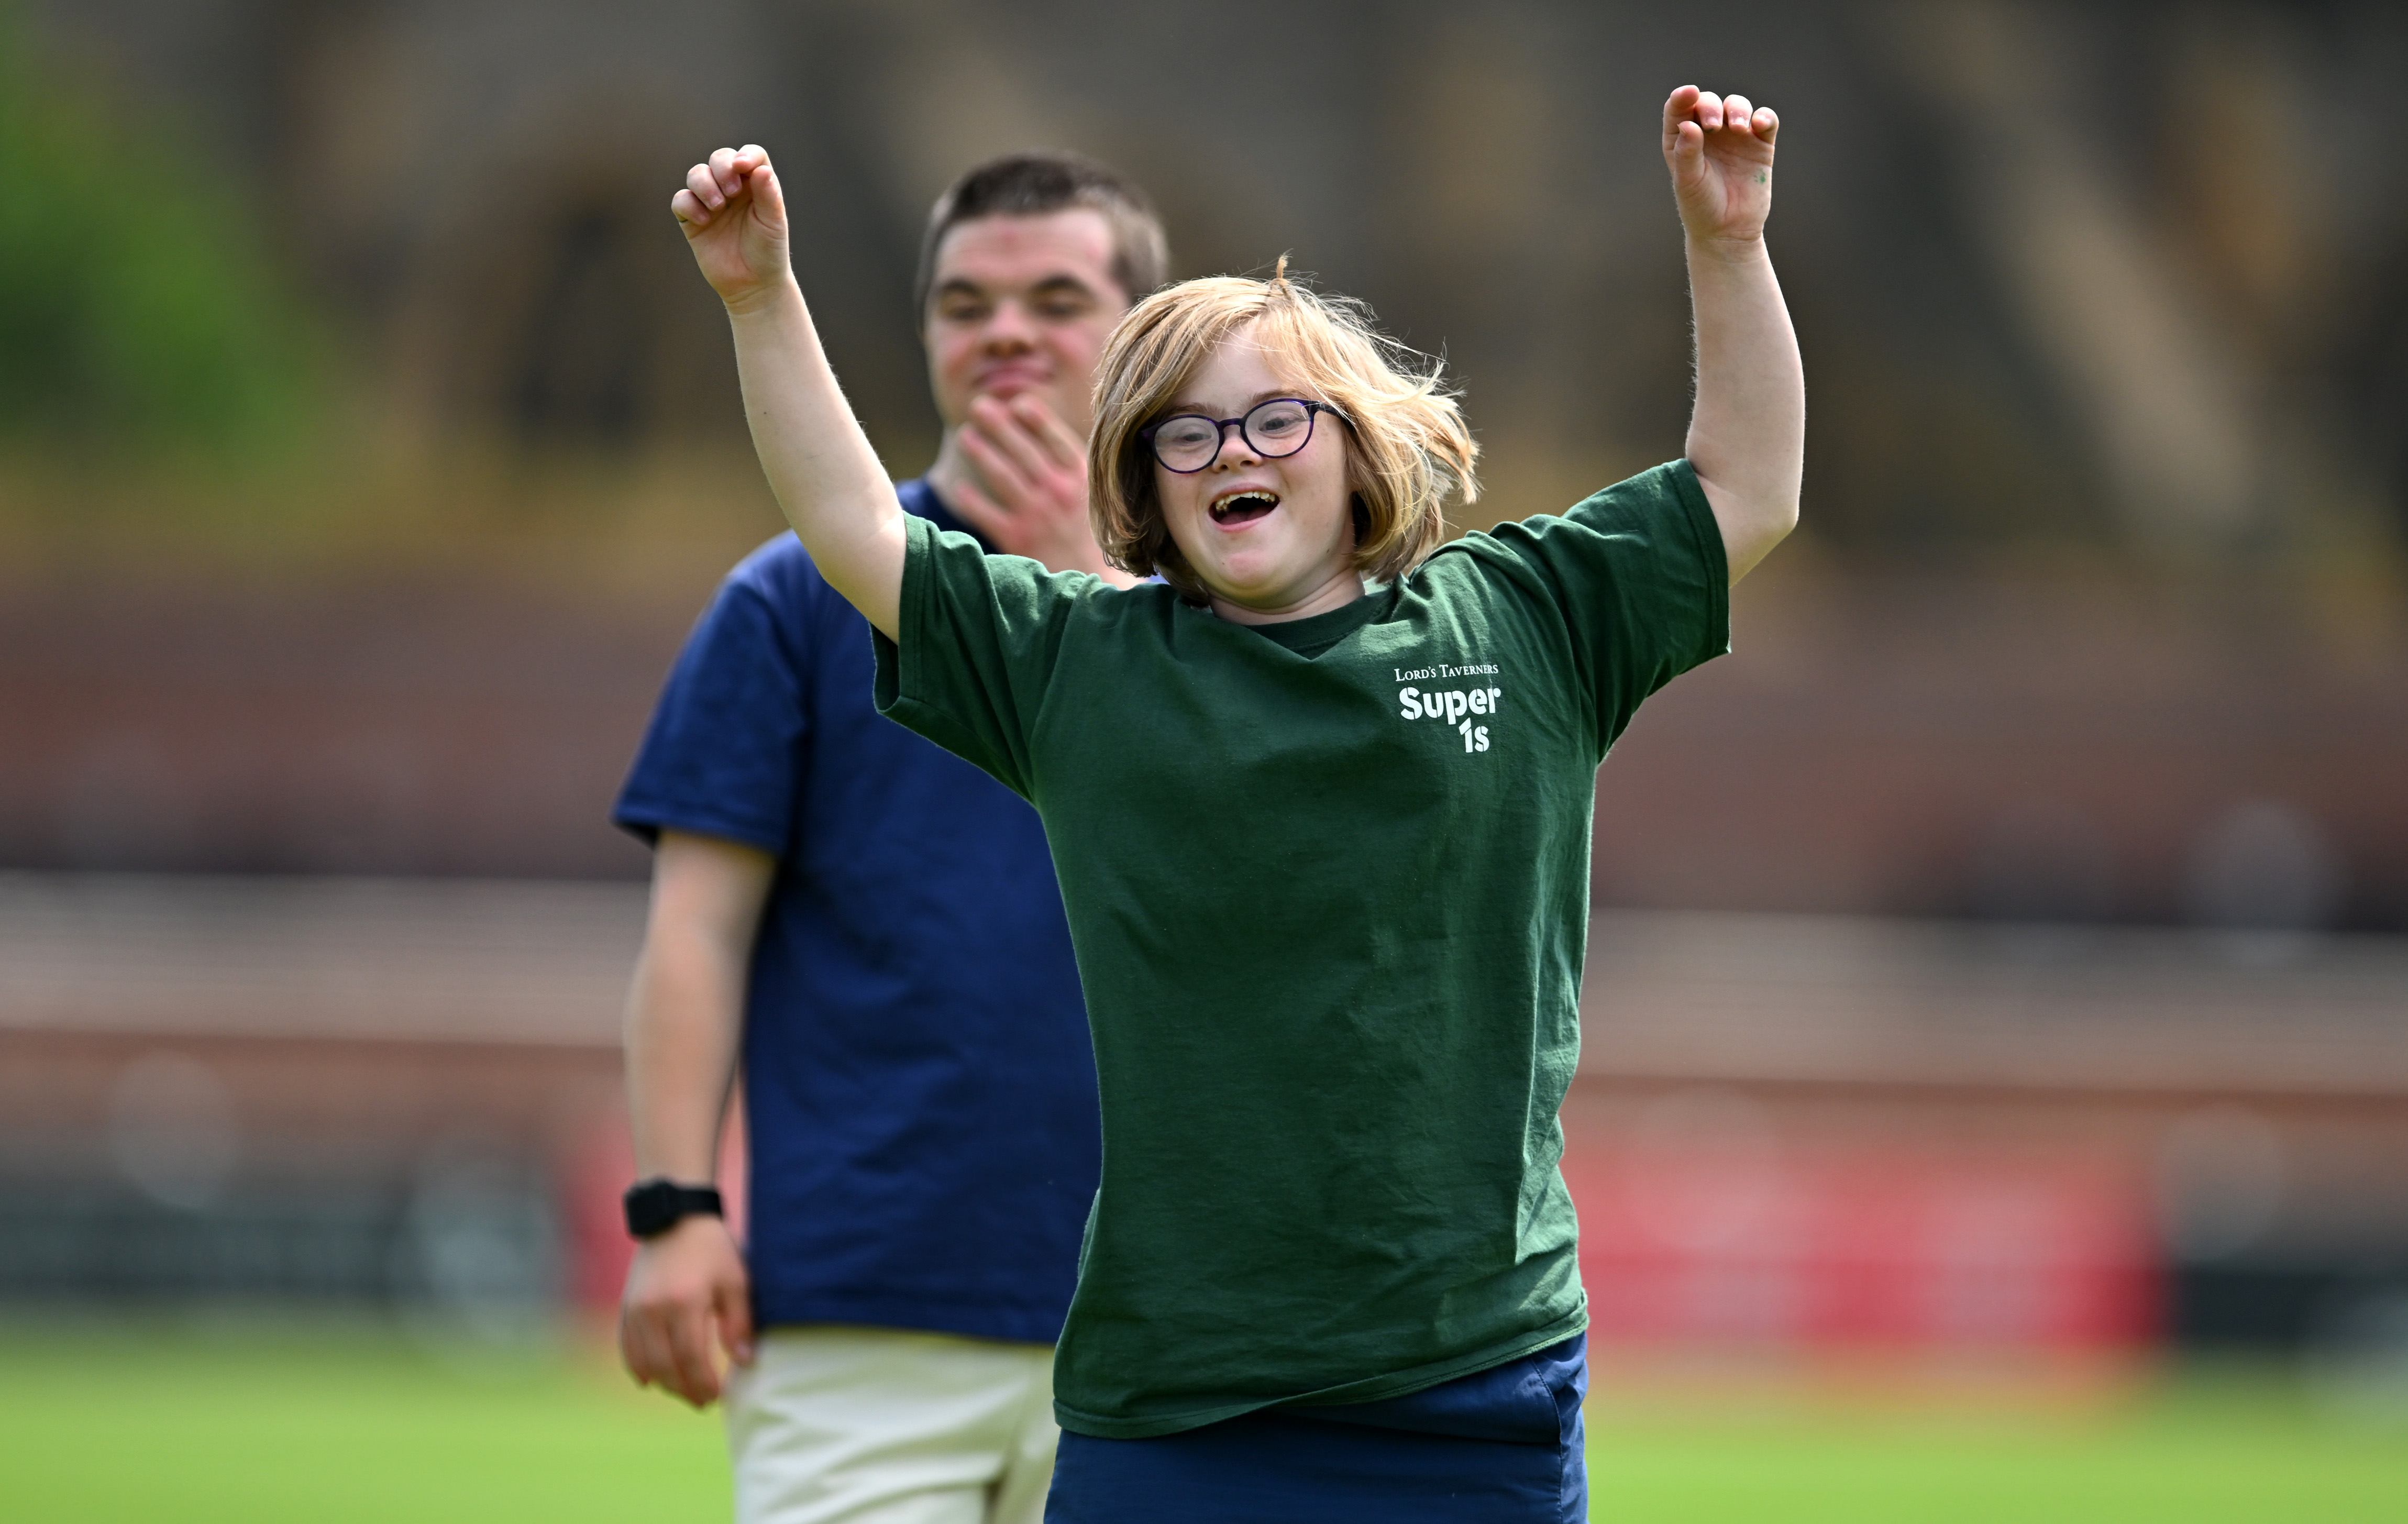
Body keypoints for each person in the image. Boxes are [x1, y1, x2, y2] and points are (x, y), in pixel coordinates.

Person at [667, 84, 1801, 1522]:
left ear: (1354, 441)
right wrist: (761, 297)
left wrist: (1729, 242)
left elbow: (1748, 487)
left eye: (1274, 418)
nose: (1233, 454)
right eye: (1185, 437)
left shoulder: (1524, 620)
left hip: (1472, 1388)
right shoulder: (1085, 666)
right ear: (1143, 479)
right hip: (1176, 1406)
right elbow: (853, 529)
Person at [613, 151, 1168, 1524]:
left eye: (1057, 297)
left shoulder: (1224, 613)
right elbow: (698, 927)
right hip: (855, 1321)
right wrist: (674, 1208)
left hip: (1166, 1322)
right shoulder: (792, 603)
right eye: (966, 303)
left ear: (1144, 333)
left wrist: (1084, 583)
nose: (1007, 335)